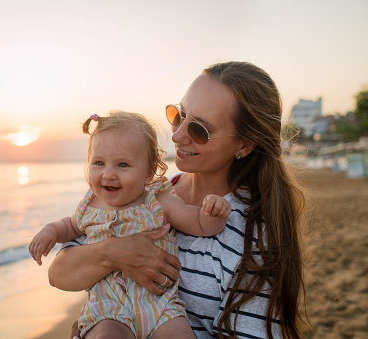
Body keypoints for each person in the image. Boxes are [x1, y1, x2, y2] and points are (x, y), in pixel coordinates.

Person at [48, 61, 308, 339]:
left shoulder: (252, 236)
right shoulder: (145, 193)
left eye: (199, 130)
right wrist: (112, 252)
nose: (177, 134)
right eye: (178, 115)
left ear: (244, 144)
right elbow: (59, 273)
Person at [29, 111, 232, 339]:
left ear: (148, 173)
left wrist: (214, 211)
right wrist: (50, 231)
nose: (108, 174)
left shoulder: (158, 202)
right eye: (99, 163)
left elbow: (201, 224)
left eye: (122, 165)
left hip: (159, 305)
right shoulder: (90, 205)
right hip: (107, 308)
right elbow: (69, 226)